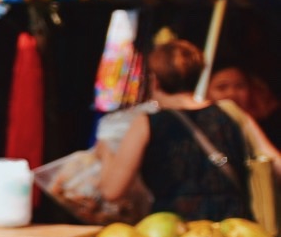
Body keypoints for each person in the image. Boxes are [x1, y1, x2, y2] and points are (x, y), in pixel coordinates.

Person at [100, 40, 281, 221]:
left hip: (176, 231)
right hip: (233, 228)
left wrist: (106, 151)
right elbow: (275, 161)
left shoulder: (146, 123)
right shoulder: (230, 113)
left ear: (154, 81)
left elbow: (112, 191)